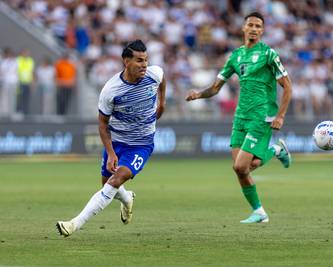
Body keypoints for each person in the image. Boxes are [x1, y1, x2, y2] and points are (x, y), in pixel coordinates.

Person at [186, 12, 293, 224]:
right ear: (243, 28)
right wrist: (199, 94)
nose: (254, 28)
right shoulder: (235, 56)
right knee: (241, 168)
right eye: (250, 25)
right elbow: (216, 88)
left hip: (261, 116)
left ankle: (276, 150)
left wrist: (280, 116)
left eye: (258, 26)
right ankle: (260, 212)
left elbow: (288, 86)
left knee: (240, 167)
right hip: (240, 117)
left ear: (262, 31)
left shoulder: (269, 54)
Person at [56, 40, 166, 236]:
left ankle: (74, 224)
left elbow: (162, 79)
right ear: (126, 61)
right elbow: (102, 124)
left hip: (141, 144)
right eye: (139, 61)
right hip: (116, 141)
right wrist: (110, 151)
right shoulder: (111, 90)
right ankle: (127, 199)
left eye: (146, 60)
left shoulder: (154, 74)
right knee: (107, 184)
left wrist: (162, 103)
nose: (144, 65)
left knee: (115, 181)